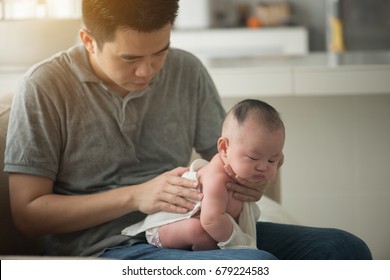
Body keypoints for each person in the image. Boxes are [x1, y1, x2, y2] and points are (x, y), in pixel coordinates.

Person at [4, 0, 372, 260]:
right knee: (251, 266)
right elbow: (28, 214)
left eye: (159, 52)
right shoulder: (45, 87)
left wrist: (257, 173)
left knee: (344, 249)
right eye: (129, 58)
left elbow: (227, 157)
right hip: (106, 246)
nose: (147, 71)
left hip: (195, 224)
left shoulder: (186, 70)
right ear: (88, 40)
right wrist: (137, 196)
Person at [122, 99, 285, 251]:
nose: (263, 167)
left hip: (211, 226)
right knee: (198, 230)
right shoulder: (217, 178)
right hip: (166, 228)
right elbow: (211, 220)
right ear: (224, 148)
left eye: (272, 160)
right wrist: (243, 245)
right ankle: (210, 254)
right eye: (253, 158)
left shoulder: (241, 168)